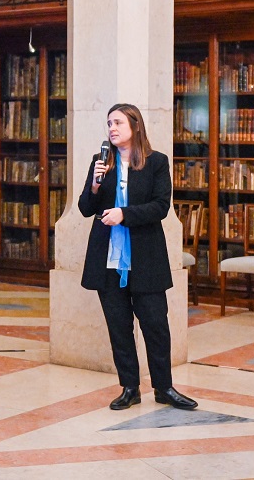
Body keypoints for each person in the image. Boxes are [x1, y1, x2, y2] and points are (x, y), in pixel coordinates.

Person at [77, 103, 198, 411]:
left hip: (145, 257)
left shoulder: (156, 162)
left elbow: (160, 207)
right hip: (109, 259)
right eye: (109, 124)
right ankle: (130, 387)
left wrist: (124, 214)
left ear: (135, 126)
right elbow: (85, 208)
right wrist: (94, 183)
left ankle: (164, 387)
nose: (112, 128)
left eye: (118, 122)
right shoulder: (101, 161)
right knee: (119, 326)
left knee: (156, 323)